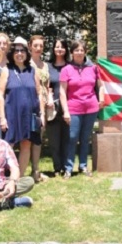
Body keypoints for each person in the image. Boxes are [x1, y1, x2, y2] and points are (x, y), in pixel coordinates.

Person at [59, 39, 107, 178]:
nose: (79, 53)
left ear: (85, 52)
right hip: (73, 108)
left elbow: (101, 85)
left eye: (82, 50)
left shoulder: (93, 68)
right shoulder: (66, 70)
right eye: (76, 50)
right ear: (72, 52)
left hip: (91, 108)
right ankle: (68, 167)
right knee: (72, 137)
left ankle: (83, 166)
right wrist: (66, 111)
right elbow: (62, 91)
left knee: (85, 138)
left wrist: (101, 99)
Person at [0, 38, 46, 177]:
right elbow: (0, 94)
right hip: (12, 114)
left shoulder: (33, 71)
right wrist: (2, 118)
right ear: (12, 54)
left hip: (30, 114)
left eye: (22, 51)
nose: (19, 54)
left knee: (27, 145)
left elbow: (39, 93)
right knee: (8, 146)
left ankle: (19, 177)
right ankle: (2, 177)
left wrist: (41, 114)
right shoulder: (7, 70)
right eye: (17, 51)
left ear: (27, 53)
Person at [29, 35, 52, 182]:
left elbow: (47, 85)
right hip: (31, 101)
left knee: (39, 137)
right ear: (30, 46)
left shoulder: (45, 65)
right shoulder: (27, 63)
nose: (38, 48)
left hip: (43, 103)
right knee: (27, 138)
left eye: (41, 46)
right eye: (36, 45)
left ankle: (35, 169)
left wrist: (49, 98)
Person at [46, 38, 71, 176]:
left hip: (68, 106)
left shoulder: (70, 66)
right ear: (53, 49)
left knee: (67, 138)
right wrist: (48, 97)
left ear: (66, 49)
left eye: (62, 47)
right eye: (57, 47)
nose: (59, 49)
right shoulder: (48, 66)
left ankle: (66, 166)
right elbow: (46, 85)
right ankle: (57, 167)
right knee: (54, 139)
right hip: (52, 107)